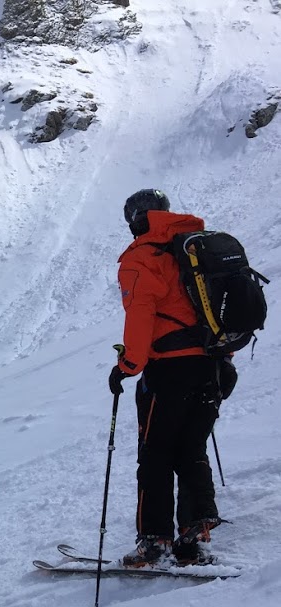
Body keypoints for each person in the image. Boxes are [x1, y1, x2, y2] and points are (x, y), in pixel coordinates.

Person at [108, 188, 232, 567]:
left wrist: (127, 367)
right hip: (214, 366)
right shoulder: (193, 247)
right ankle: (194, 537)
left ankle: (155, 540)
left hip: (170, 370)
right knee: (191, 448)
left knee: (156, 455)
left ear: (136, 220)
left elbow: (141, 315)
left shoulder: (141, 257)